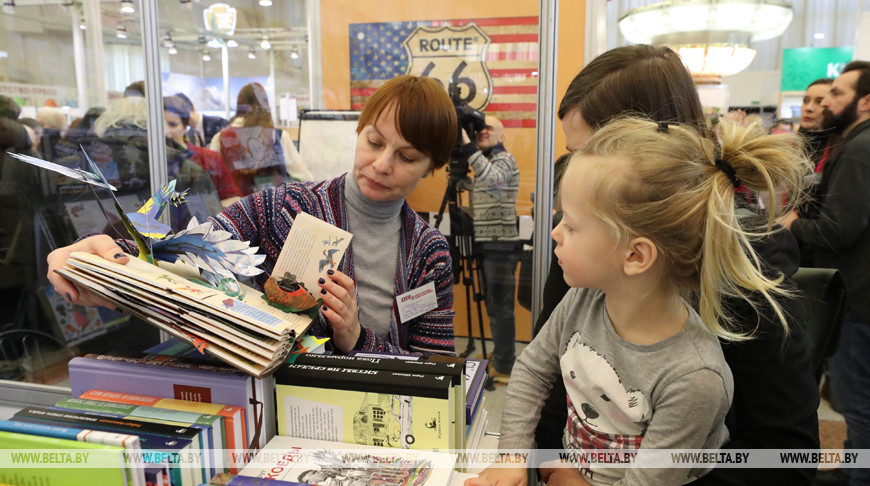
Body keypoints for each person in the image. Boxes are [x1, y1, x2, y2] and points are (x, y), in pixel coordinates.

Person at [533, 45, 819, 486]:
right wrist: (554, 467)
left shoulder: (747, 260)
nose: (577, 177)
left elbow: (782, 452)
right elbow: (550, 369)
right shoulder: (583, 239)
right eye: (572, 157)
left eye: (589, 156)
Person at [469, 117, 810, 486]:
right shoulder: (582, 300)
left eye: (571, 224)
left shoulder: (694, 378)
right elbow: (533, 370)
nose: (555, 232)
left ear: (635, 256)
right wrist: (512, 456)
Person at [46, 74, 457, 356]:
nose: (382, 164)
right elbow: (190, 246)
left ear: (432, 166)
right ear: (360, 131)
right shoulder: (289, 207)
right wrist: (107, 261)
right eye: (374, 141)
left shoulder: (427, 253)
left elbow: (432, 369)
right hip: (277, 417)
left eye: (406, 157)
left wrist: (356, 338)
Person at [777, 60, 870, 486]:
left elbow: (840, 227)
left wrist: (793, 223)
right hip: (853, 294)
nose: (826, 101)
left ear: (864, 102)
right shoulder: (847, 146)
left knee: (859, 404)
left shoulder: (857, 149)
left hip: (857, 298)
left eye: (836, 94)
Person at [458, 114, 520, 383]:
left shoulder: (503, 160)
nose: (483, 131)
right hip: (489, 244)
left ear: (502, 136)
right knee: (495, 307)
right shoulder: (489, 162)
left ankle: (506, 367)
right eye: (480, 128)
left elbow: (493, 180)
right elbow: (487, 187)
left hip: (500, 245)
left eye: (490, 128)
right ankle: (503, 353)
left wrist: (466, 143)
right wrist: (462, 181)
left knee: (502, 308)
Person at [209, 82, 313, 195]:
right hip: (270, 207)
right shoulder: (276, 136)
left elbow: (212, 181)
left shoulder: (220, 138)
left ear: (239, 105)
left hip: (234, 208)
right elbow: (306, 179)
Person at [164, 95, 242, 207]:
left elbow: (232, 199)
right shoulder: (150, 162)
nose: (166, 131)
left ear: (185, 127)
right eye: (160, 124)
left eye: (173, 124)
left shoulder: (210, 158)